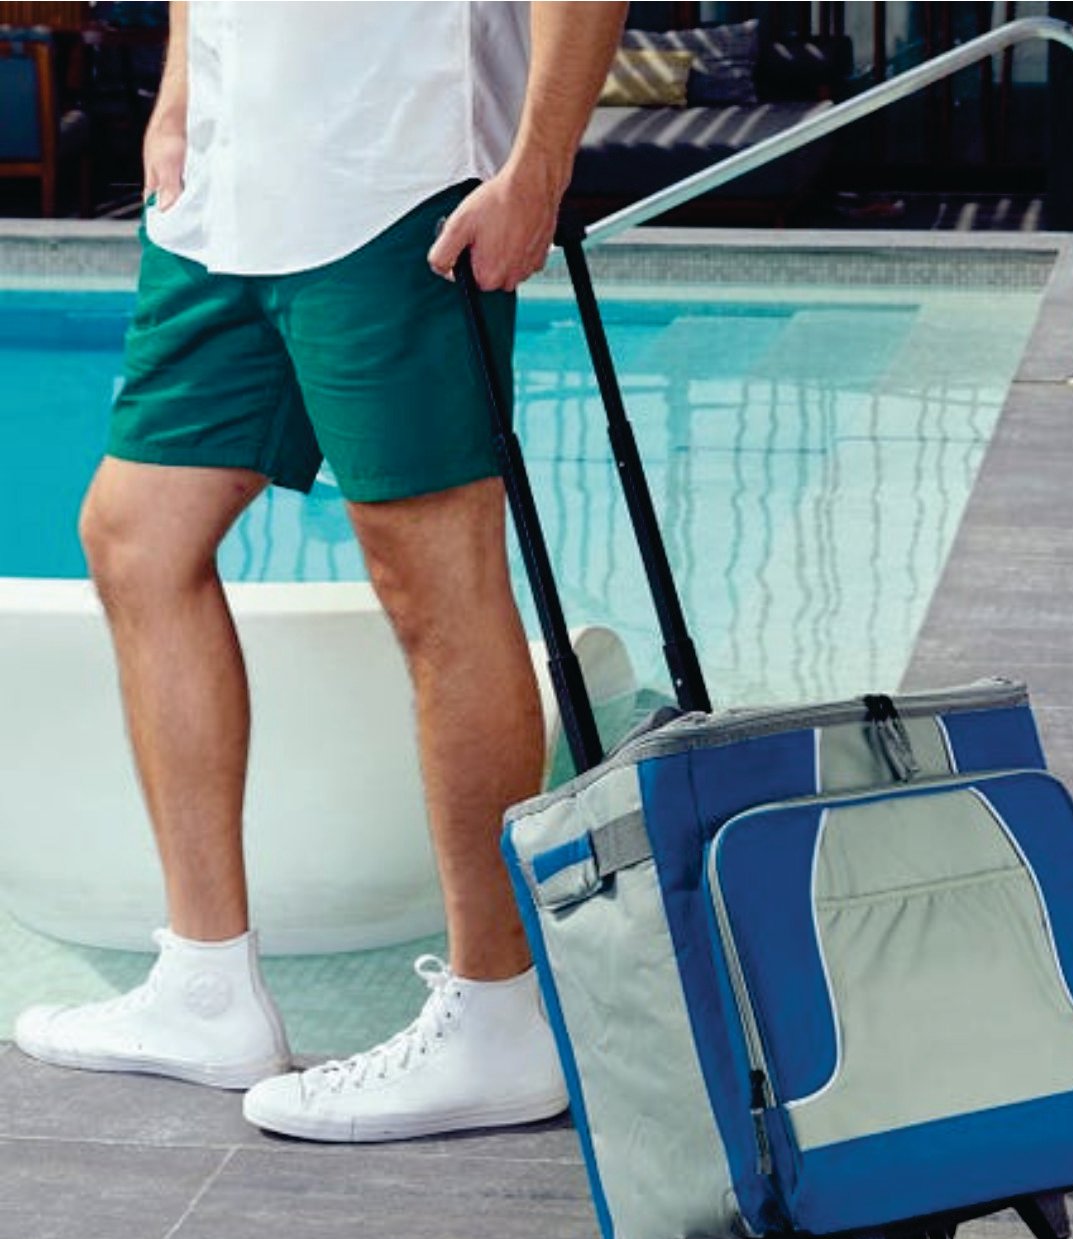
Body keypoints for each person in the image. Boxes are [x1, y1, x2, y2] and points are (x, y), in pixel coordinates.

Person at [15, 0, 629, 1143]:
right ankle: (208, 988)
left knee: (432, 581)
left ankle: (498, 1012)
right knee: (136, 533)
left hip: (397, 186)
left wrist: (538, 169)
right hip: (225, 198)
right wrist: (179, 104)